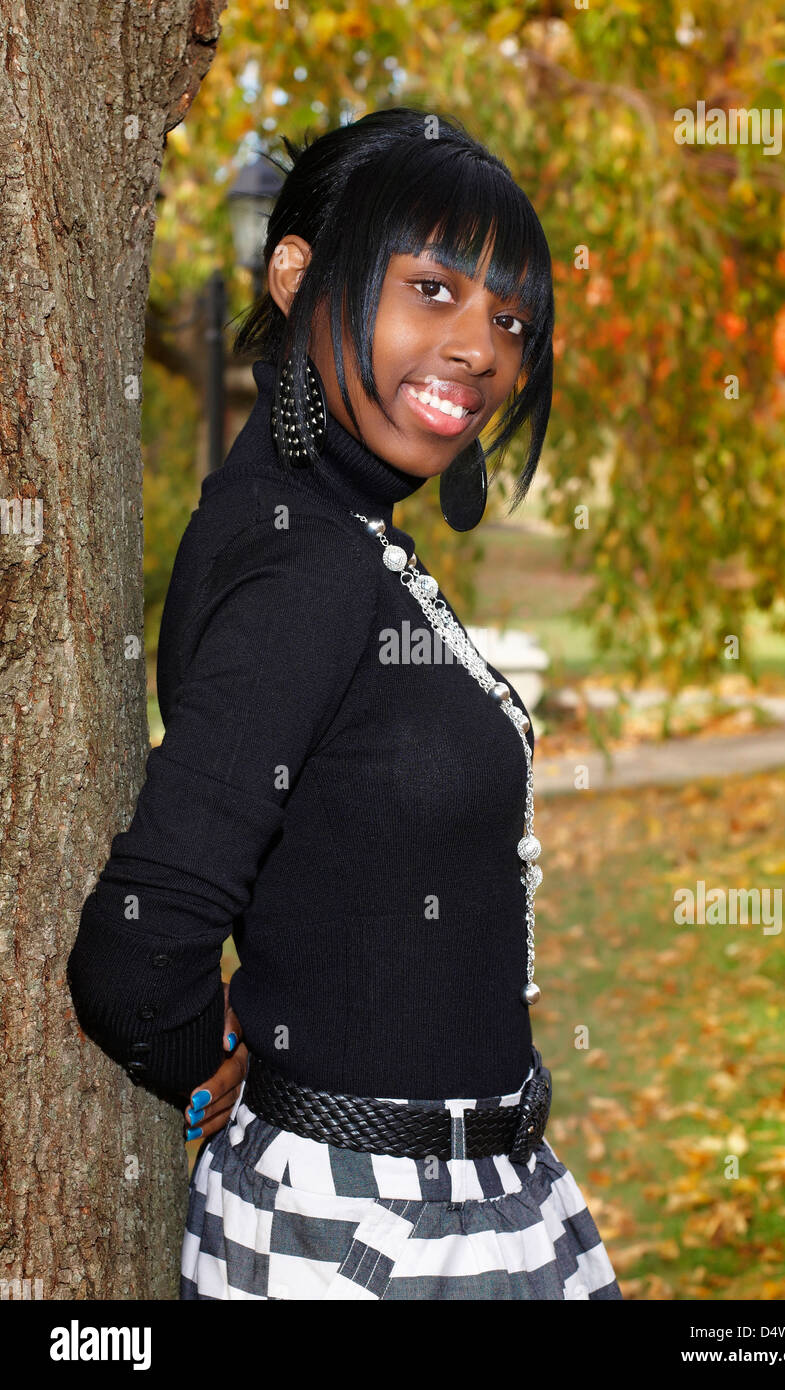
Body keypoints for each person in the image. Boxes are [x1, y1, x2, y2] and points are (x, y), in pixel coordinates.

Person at [67, 105, 622, 1301]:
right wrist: (216, 1063)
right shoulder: (305, 558)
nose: (479, 347)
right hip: (363, 1239)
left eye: (509, 318)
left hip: (456, 1208)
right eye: (432, 290)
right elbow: (137, 944)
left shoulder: (312, 531)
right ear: (296, 274)